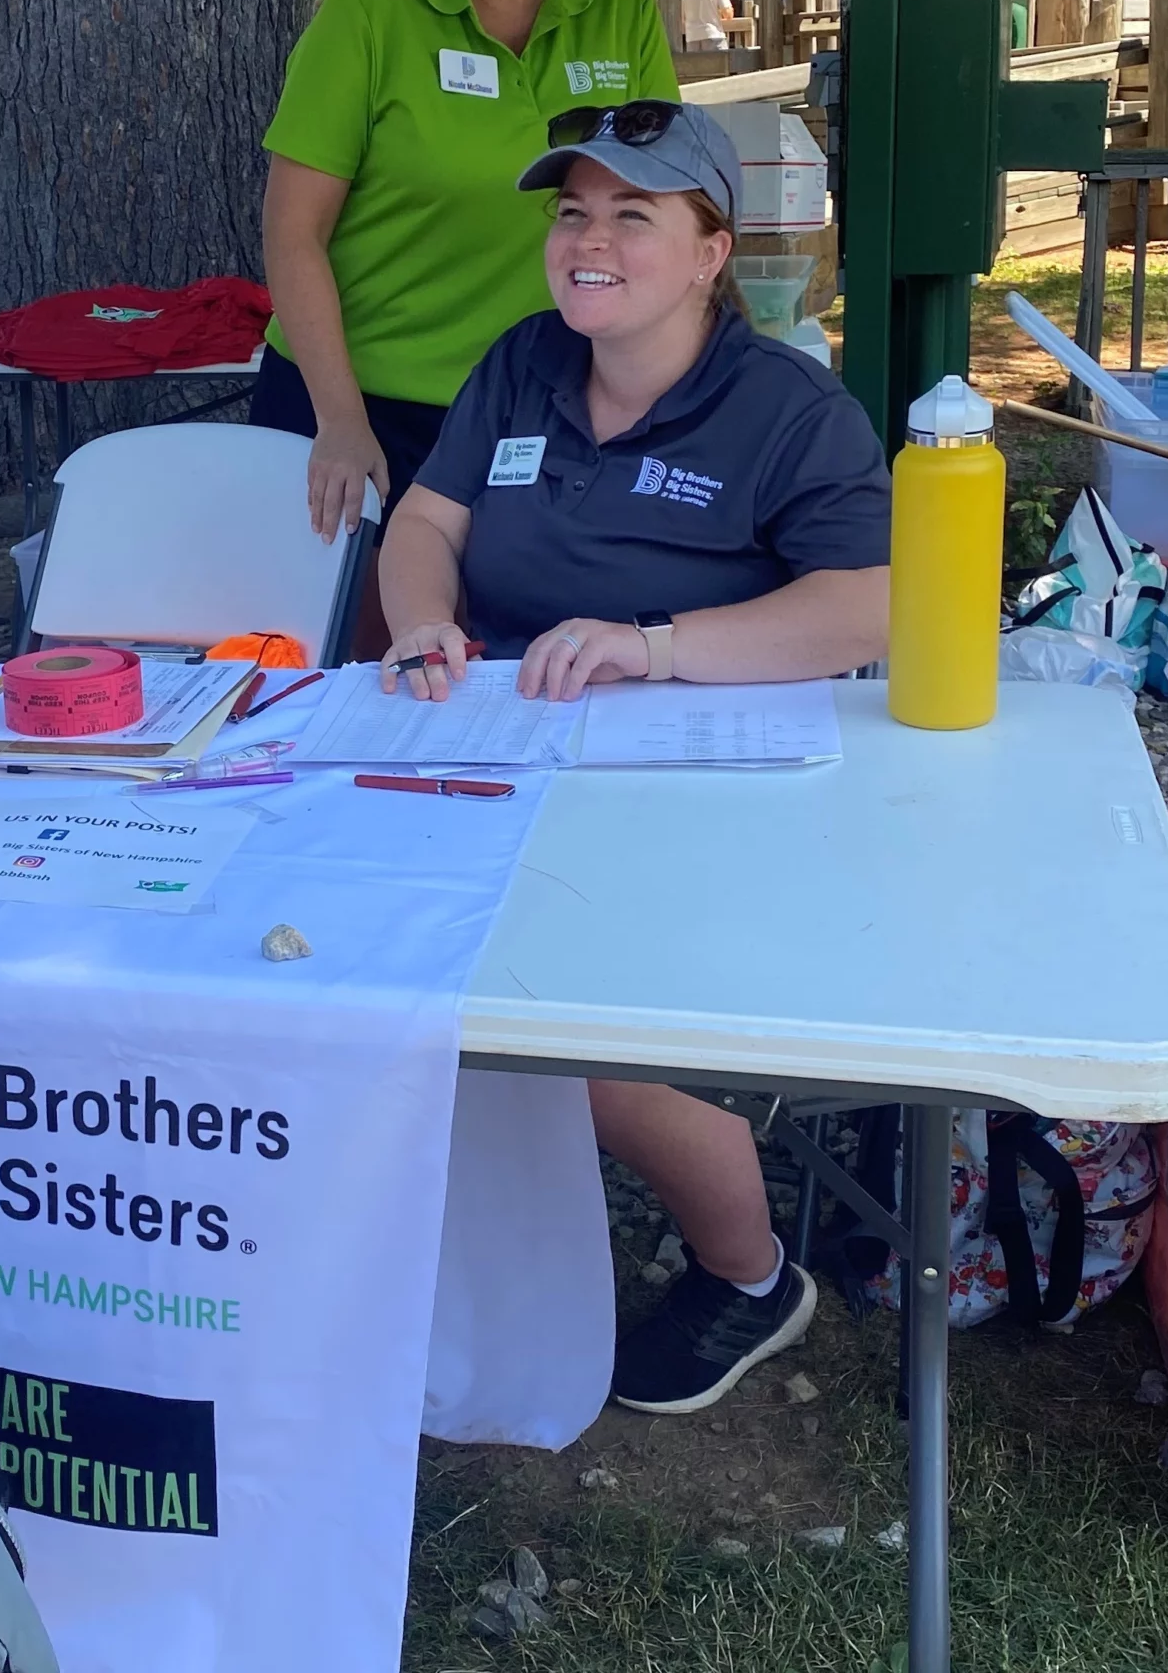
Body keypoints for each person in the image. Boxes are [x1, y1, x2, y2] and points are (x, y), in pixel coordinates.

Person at [379, 98, 891, 1413]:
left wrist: (653, 647)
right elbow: (424, 523)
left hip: (702, 788)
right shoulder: (522, 364)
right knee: (369, 945)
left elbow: (870, 607)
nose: (588, 241)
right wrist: (425, 621)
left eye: (632, 215)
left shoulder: (788, 408)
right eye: (572, 213)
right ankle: (435, 1239)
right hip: (503, 746)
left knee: (554, 1009)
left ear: (714, 252)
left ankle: (749, 1274)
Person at [254, 0, 679, 549]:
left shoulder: (621, 11)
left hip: (538, 406)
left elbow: (666, 209)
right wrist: (339, 419)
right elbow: (292, 232)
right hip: (359, 411)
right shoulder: (369, 11)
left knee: (525, 628)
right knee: (351, 630)